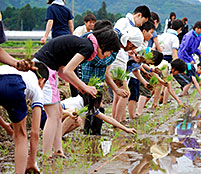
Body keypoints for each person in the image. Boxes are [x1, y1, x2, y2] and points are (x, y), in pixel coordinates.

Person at [34, 28, 120, 158]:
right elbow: (69, 70)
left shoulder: (86, 44)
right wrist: (85, 86)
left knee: (57, 114)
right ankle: (47, 155)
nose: (109, 55)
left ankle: (58, 151)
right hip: (45, 69)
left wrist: (79, 86)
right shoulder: (89, 47)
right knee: (53, 116)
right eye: (110, 51)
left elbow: (63, 71)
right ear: (104, 45)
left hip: (50, 70)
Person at [0, 62, 49, 174]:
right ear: (42, 81)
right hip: (14, 83)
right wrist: (31, 161)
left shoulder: (12, 68)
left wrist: (5, 127)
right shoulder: (36, 88)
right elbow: (35, 132)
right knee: (21, 136)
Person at [111, 5, 151, 123]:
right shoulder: (123, 22)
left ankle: (116, 120)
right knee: (125, 93)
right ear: (138, 15)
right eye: (142, 21)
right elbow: (114, 36)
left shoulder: (131, 25)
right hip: (117, 59)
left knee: (118, 95)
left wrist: (131, 50)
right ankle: (118, 121)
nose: (141, 24)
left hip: (123, 59)